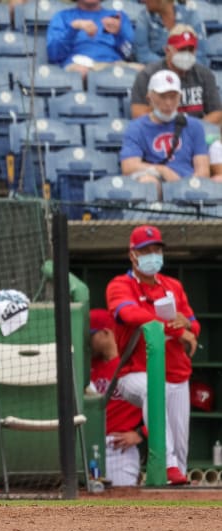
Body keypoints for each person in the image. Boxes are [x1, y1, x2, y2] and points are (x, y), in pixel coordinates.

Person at [106, 225, 200, 486]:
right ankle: (166, 464)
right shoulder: (120, 285)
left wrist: (187, 326)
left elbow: (194, 325)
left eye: (156, 249)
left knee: (181, 450)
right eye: (145, 250)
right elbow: (129, 314)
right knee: (151, 388)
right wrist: (175, 328)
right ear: (132, 255)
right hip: (134, 372)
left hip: (177, 374)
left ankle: (174, 488)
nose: (153, 255)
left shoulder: (173, 286)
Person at [120, 69, 210, 198]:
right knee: (148, 183)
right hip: (157, 181)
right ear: (149, 98)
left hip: (188, 184)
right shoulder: (137, 127)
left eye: (173, 97)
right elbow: (128, 166)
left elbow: (203, 170)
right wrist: (162, 170)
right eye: (162, 97)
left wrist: (186, 186)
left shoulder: (194, 126)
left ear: (180, 97)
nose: (168, 103)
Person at [89, 309, 145, 487]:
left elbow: (163, 407)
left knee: (121, 500)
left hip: (118, 448)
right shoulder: (85, 366)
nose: (87, 342)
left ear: (105, 333)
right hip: (87, 447)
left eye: (91, 336)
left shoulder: (132, 367)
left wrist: (141, 434)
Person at [131, 25, 222, 124]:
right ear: (167, 50)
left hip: (195, 129)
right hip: (160, 129)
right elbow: (138, 113)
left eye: (190, 49)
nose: (186, 54)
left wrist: (193, 129)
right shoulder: (148, 75)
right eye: (181, 49)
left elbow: (217, 113)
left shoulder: (204, 75)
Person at [46, 0, 135, 78]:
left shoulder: (117, 16)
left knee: (141, 71)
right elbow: (54, 55)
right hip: (79, 66)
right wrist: (73, 28)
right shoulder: (62, 16)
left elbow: (128, 54)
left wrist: (118, 35)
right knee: (81, 71)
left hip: (114, 66)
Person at [134, 0, 207, 66]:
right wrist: (171, 65)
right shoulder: (144, 17)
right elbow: (143, 55)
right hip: (157, 71)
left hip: (189, 70)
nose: (143, 1)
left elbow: (200, 57)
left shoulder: (191, 15)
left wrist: (179, 66)